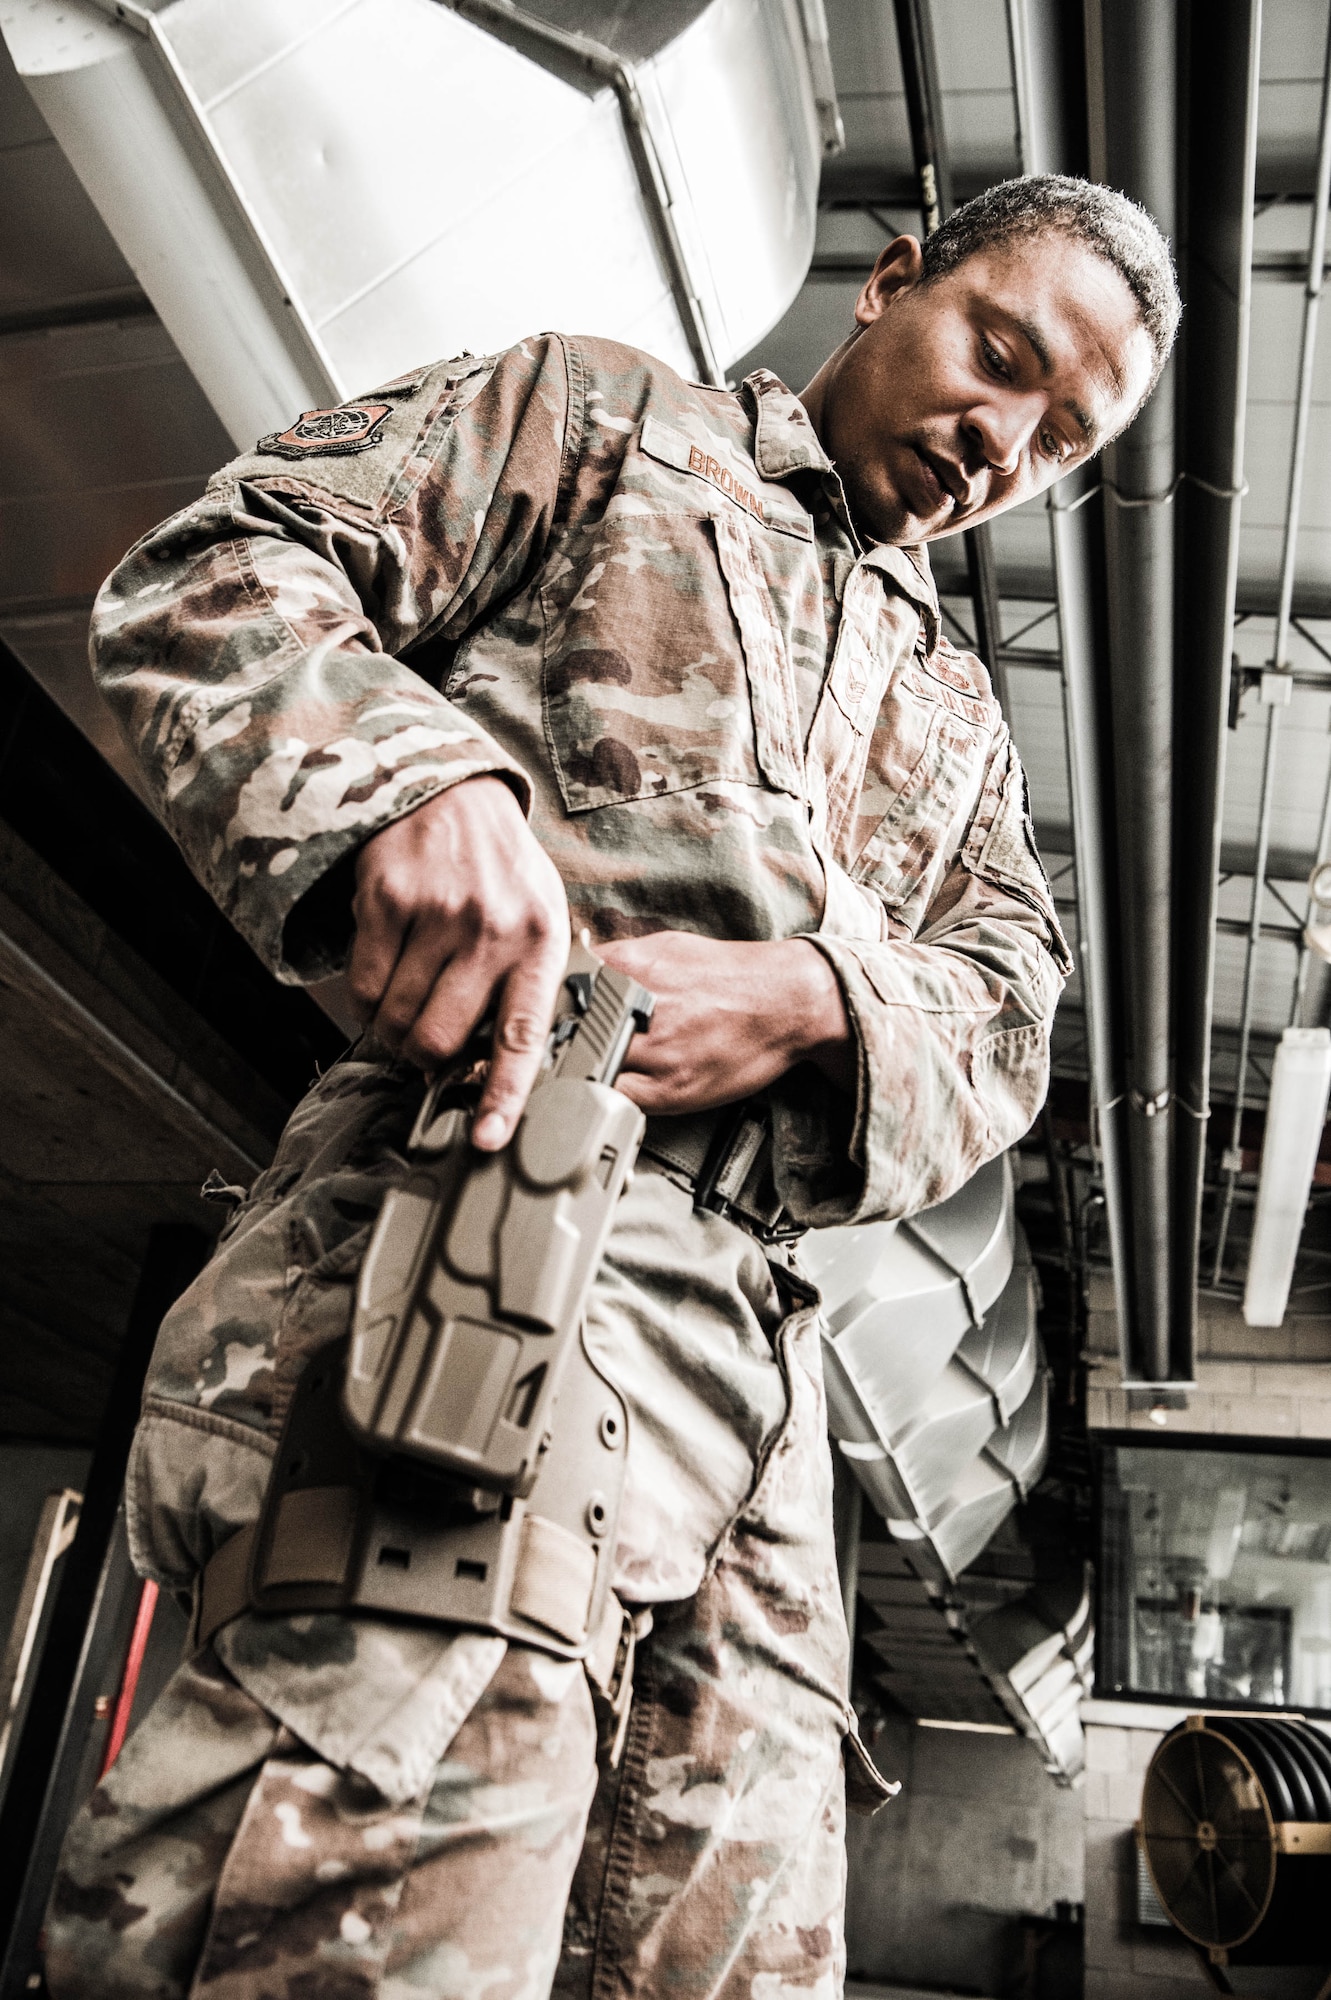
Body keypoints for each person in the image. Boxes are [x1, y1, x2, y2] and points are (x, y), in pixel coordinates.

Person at [46, 174, 1178, 2000]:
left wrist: (817, 991)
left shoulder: (959, 722)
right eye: (1000, 353)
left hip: (762, 1390)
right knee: (365, 1918)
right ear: (896, 281)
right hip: (495, 1220)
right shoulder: (598, 424)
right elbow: (216, 572)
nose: (1005, 439)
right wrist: (415, 784)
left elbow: (1011, 1010)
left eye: (1064, 435)